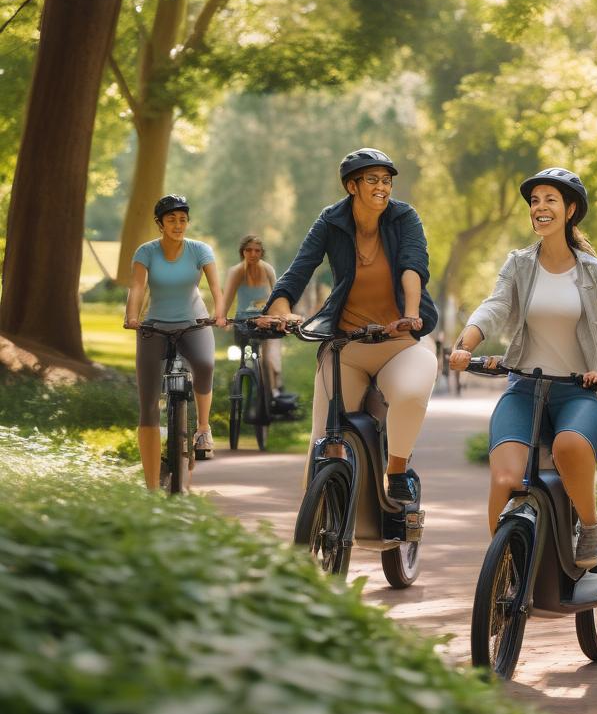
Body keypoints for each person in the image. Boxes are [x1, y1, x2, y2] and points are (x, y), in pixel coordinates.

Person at [448, 167, 597, 568]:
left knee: (569, 445)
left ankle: (591, 525)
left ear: (570, 210)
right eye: (534, 201)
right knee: (506, 479)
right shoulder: (519, 264)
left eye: (550, 200)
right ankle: (503, 574)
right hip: (525, 388)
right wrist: (466, 341)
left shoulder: (595, 272)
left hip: (582, 392)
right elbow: (497, 305)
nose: (540, 208)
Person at [260, 148, 438, 502]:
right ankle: (320, 516)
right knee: (324, 441)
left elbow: (412, 264)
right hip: (347, 346)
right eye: (372, 180)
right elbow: (298, 271)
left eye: (386, 181)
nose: (382, 187)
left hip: (398, 343)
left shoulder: (404, 217)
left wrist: (412, 313)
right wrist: (282, 310)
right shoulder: (331, 221)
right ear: (351, 186)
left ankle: (398, 470)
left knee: (409, 394)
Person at [124, 194, 227, 488]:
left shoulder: (199, 250)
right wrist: (133, 316)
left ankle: (203, 428)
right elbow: (137, 286)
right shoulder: (146, 252)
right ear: (160, 224)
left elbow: (215, 287)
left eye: (182, 219)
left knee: (205, 364)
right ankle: (152, 488)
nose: (178, 225)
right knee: (148, 405)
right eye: (171, 220)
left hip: (193, 322)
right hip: (154, 325)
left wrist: (219, 313)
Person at [223, 234, 282, 395]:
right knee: (242, 359)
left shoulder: (268, 269)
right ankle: (239, 391)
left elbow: (277, 297)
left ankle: (272, 393)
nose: (253, 254)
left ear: (262, 253)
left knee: (268, 359)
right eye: (248, 250)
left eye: (257, 251)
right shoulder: (236, 272)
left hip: (266, 320)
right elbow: (227, 298)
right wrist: (222, 317)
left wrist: (280, 316)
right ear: (242, 252)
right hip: (244, 321)